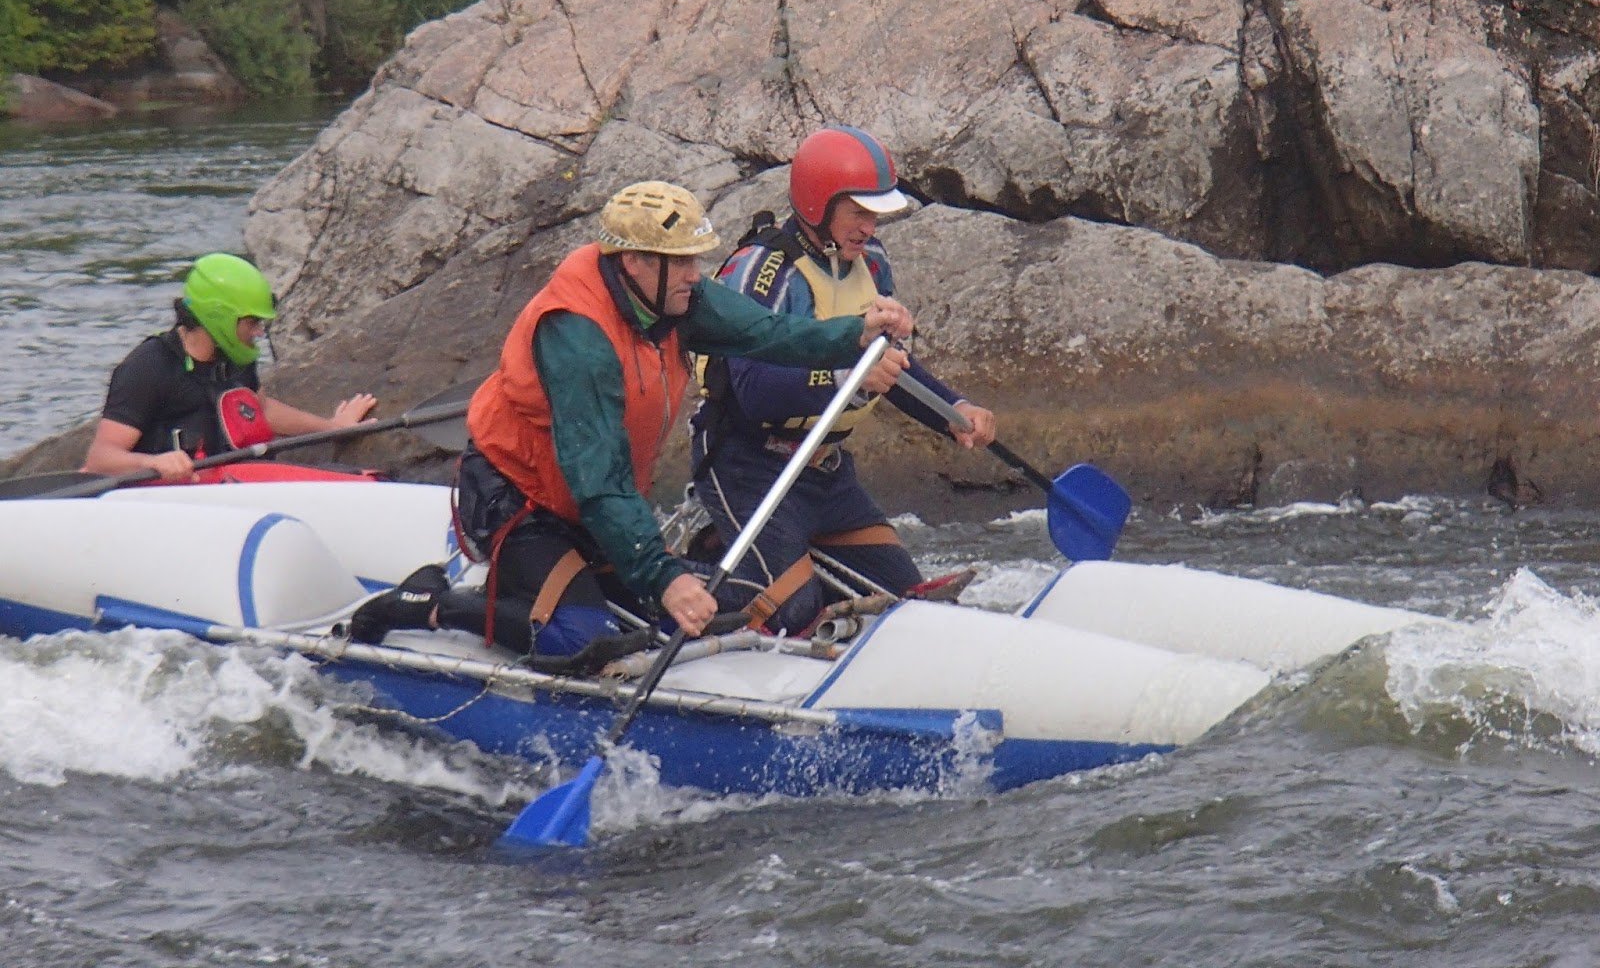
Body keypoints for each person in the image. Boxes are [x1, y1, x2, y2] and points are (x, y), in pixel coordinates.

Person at [348, 181, 914, 662]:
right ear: (635, 261)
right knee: (577, 636)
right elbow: (601, 482)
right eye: (684, 261)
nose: (697, 274)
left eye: (697, 259)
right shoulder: (578, 337)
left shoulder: (673, 296)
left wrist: (853, 334)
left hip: (592, 501)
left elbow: (768, 333)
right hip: (517, 502)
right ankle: (427, 603)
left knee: (708, 613)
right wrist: (662, 576)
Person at [689, 125, 998, 635]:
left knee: (904, 600)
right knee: (789, 613)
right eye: (859, 211)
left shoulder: (871, 263)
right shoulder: (764, 271)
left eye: (875, 213)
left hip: (825, 472)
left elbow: (888, 364)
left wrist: (953, 408)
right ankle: (714, 562)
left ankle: (794, 574)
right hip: (748, 464)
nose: (869, 226)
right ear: (818, 203)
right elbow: (752, 389)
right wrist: (849, 379)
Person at [82, 253, 377, 482]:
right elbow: (100, 460)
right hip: (176, 497)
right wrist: (152, 463)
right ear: (219, 317)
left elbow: (262, 410)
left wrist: (335, 428)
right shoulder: (148, 366)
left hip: (234, 484)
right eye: (251, 322)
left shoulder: (235, 360)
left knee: (363, 477)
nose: (259, 332)